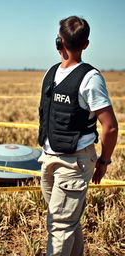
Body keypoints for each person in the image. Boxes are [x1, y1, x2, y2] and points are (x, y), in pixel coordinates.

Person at [38, 16, 118, 256]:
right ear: (86, 43)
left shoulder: (90, 79)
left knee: (60, 225)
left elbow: (110, 126)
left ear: (58, 41)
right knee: (66, 222)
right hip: (49, 158)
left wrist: (103, 162)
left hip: (74, 162)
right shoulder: (51, 73)